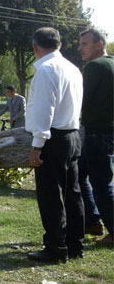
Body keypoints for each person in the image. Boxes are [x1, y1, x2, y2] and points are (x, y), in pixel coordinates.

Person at [25, 27, 84, 263]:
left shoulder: (46, 70)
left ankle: (56, 248)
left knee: (51, 195)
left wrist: (37, 145)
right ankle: (75, 244)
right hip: (73, 134)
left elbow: (43, 110)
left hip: (54, 138)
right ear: (58, 44)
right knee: (72, 193)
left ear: (35, 47)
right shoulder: (73, 68)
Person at [77, 28, 114, 245]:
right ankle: (91, 221)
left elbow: (82, 99)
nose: (80, 48)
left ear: (99, 44)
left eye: (85, 43)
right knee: (78, 174)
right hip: (107, 131)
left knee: (101, 184)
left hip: (97, 133)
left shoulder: (94, 66)